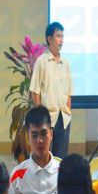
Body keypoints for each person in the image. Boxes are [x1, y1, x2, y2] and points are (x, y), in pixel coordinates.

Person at [29, 22, 74, 159]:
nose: (61, 40)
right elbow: (35, 91)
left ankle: (59, 181)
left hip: (63, 118)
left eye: (62, 36)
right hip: (48, 119)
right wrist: (41, 117)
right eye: (58, 36)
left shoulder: (65, 63)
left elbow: (69, 92)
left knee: (60, 159)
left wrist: (68, 111)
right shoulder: (41, 62)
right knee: (46, 157)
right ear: (49, 39)